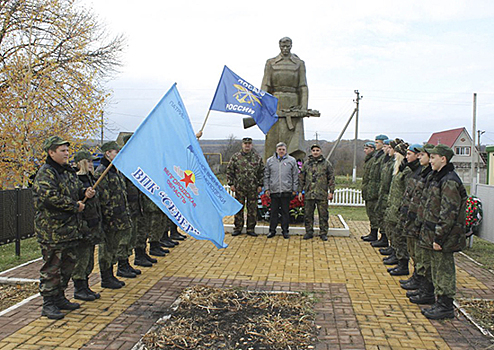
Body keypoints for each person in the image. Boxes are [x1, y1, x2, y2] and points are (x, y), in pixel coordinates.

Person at [33, 136, 95, 319]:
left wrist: (85, 192)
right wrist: (74, 206)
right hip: (52, 230)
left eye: (67, 150)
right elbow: (49, 197)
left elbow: (76, 188)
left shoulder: (67, 172)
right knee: (52, 267)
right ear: (51, 152)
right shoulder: (46, 172)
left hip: (69, 229)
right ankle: (48, 303)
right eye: (62, 151)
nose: (67, 154)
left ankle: (60, 297)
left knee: (67, 266)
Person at [419, 144, 467, 320]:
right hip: (436, 232)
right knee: (437, 268)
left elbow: (448, 213)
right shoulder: (439, 177)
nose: (430, 160)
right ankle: (439, 302)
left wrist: (439, 236)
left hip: (446, 235)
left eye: (433, 157)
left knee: (444, 269)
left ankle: (446, 306)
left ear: (443, 159)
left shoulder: (449, 180)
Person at [261, 37, 308, 161]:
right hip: (274, 104)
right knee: (272, 140)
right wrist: (263, 105)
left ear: (291, 46)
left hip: (294, 105)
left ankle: (294, 169)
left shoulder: (299, 63)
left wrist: (303, 107)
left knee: (293, 141)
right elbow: (265, 85)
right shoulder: (271, 63)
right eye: (283, 46)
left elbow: (303, 86)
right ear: (279, 46)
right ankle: (269, 168)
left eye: (288, 46)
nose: (285, 49)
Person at [95, 141, 132, 289]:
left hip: (118, 217)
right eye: (115, 151)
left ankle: (112, 274)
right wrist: (109, 216)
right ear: (107, 153)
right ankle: (106, 277)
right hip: (109, 218)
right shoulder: (102, 171)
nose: (118, 153)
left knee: (113, 247)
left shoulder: (115, 170)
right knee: (106, 248)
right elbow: (104, 198)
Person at [72, 150, 102, 302]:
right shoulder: (76, 179)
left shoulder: (91, 179)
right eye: (88, 161)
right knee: (82, 258)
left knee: (89, 258)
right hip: (82, 224)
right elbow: (74, 197)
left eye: (92, 161)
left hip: (93, 223)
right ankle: (79, 287)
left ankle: (85, 285)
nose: (91, 164)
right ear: (81, 163)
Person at [227, 137, 264, 237]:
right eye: (245, 144)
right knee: (239, 208)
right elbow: (230, 171)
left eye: (249, 144)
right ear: (242, 145)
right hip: (239, 188)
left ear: (251, 145)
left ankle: (250, 228)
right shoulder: (236, 157)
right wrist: (231, 184)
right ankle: (238, 228)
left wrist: (260, 185)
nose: (247, 145)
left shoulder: (257, 157)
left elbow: (261, 172)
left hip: (253, 188)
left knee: (252, 209)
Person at [298, 144, 335, 241]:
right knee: (308, 214)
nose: (315, 152)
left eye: (317, 150)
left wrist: (331, 192)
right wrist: (300, 192)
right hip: (309, 193)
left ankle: (323, 233)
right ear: (311, 152)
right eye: (313, 150)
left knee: (323, 215)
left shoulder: (326, 164)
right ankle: (309, 232)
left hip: (321, 194)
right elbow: (301, 179)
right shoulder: (306, 164)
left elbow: (331, 178)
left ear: (320, 151)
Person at [264, 142, 299, 239]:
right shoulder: (270, 161)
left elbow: (295, 176)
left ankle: (285, 231)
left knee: (285, 212)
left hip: (286, 190)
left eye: (283, 149)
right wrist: (267, 188)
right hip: (274, 191)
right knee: (273, 212)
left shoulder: (291, 160)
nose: (281, 151)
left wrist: (294, 189)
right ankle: (272, 231)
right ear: (276, 150)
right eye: (279, 149)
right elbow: (266, 176)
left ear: (286, 150)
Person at [361, 134, 388, 242]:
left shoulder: (380, 157)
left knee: (377, 215)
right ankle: (373, 233)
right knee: (372, 213)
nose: (376, 144)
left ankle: (382, 236)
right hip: (370, 190)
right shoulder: (375, 157)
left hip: (376, 191)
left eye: (378, 142)